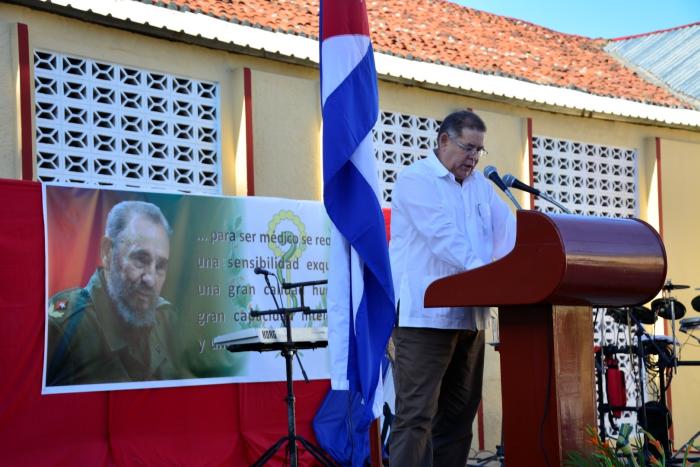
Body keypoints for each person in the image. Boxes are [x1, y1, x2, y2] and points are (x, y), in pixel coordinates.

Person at [388, 110, 516, 466]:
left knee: (460, 419)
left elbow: (508, 234)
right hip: (425, 318)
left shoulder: (481, 187)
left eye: (479, 150)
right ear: (444, 141)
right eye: (468, 148)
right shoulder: (416, 179)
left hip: (470, 318)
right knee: (416, 418)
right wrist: (483, 274)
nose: (474, 158)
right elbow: (443, 237)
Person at [46, 200, 181, 386]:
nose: (150, 279)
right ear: (107, 252)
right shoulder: (66, 328)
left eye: (160, 267)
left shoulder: (167, 320)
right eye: (140, 260)